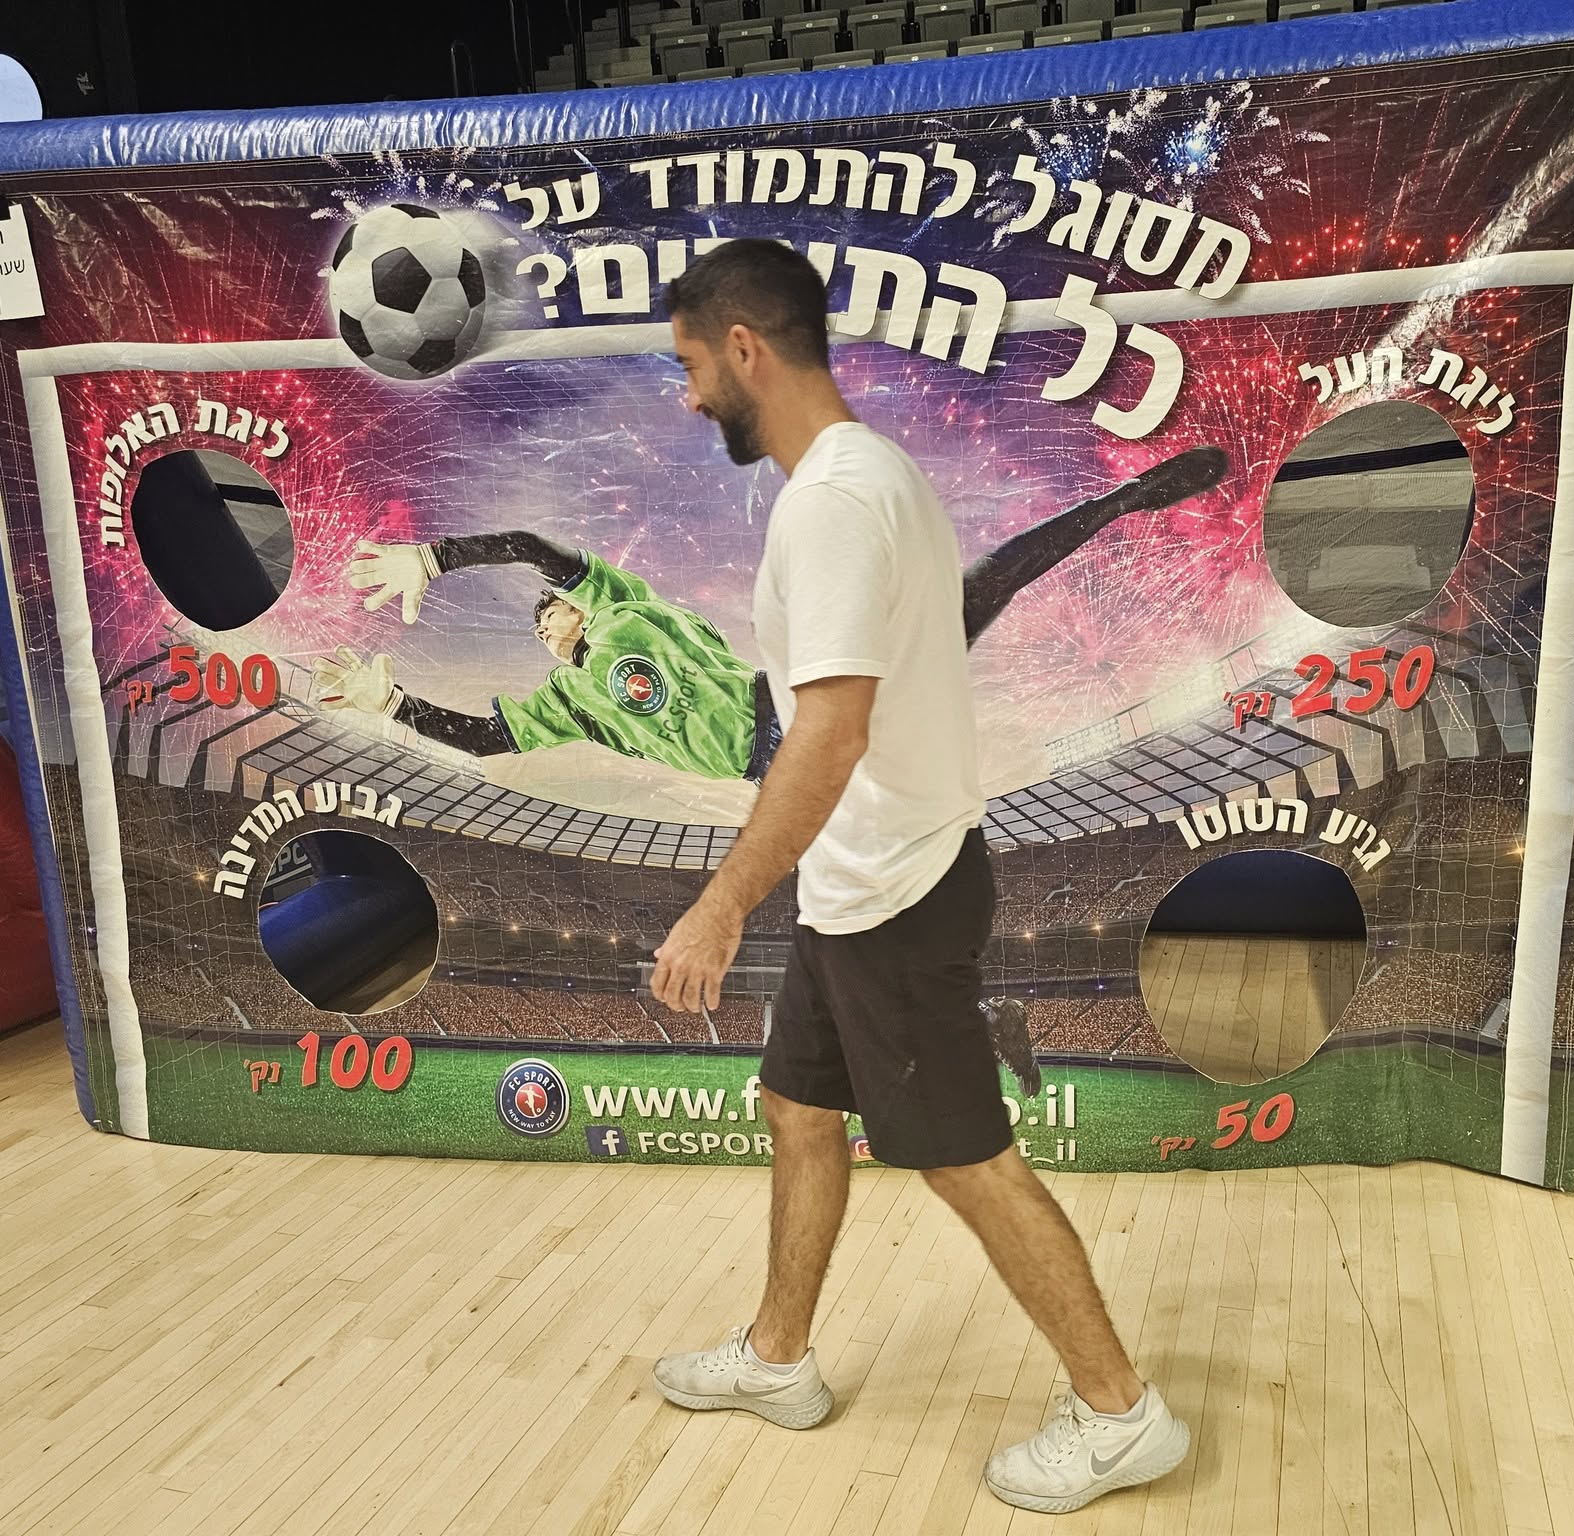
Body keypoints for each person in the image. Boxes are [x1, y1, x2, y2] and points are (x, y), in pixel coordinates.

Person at [641, 238, 1192, 1515]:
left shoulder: (833, 503)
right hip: (858, 883)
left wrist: (720, 903)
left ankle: (1120, 1414)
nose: (687, 396)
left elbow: (828, 732)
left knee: (961, 1159)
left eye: (690, 366)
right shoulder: (869, 473)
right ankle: (778, 1356)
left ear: (743, 349)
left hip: (892, 889)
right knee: (796, 1108)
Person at [317, 448, 1227, 786]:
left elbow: (525, 543)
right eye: (538, 628)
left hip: (791, 699)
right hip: (785, 773)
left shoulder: (619, 606)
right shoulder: (569, 705)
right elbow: (486, 743)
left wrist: (434, 558)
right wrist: (387, 704)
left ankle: (1124, 500)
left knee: (974, 596)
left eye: (549, 609)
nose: (545, 622)